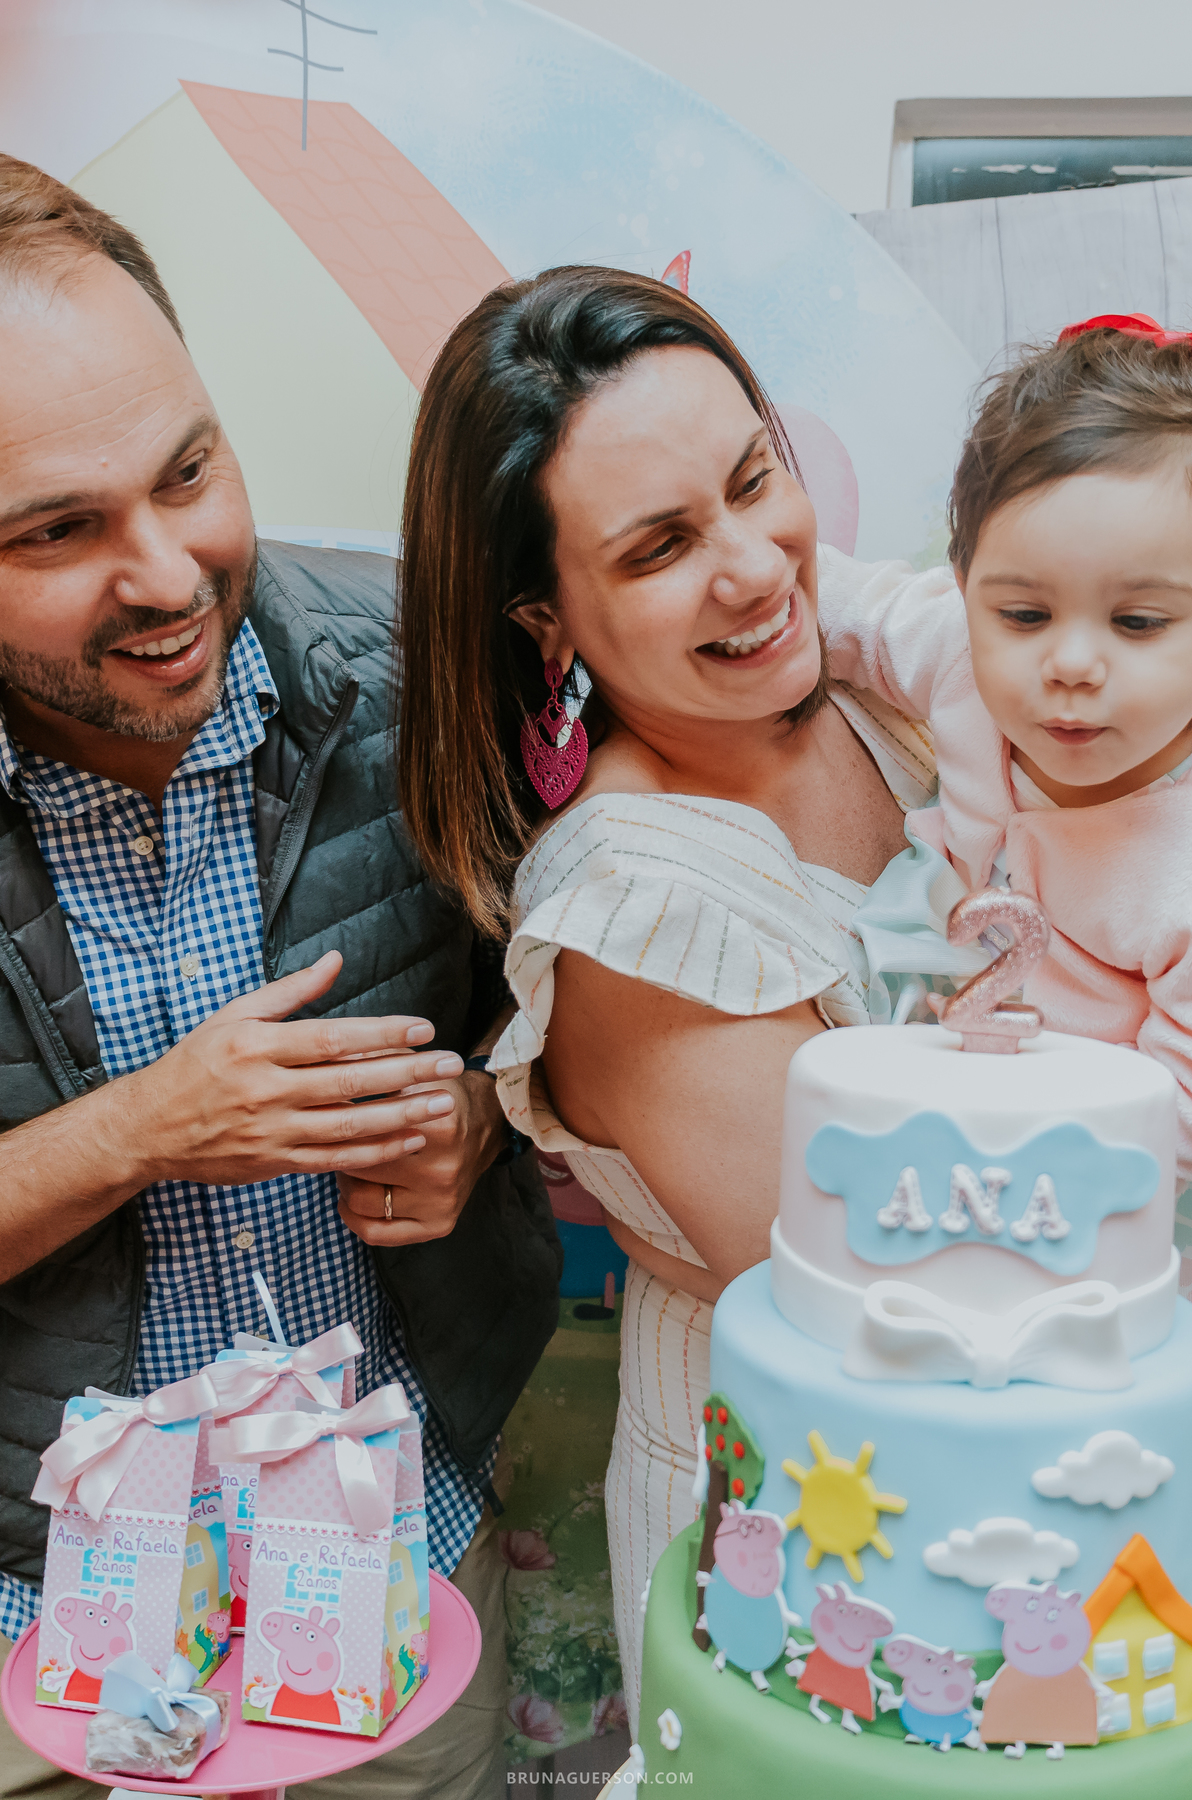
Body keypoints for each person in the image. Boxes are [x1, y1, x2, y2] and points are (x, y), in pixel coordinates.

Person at [0, 156, 559, 1800]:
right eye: (56, 532)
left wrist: (483, 1128)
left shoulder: (418, 667)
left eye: (190, 471)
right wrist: (140, 1132)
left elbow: (574, 1048)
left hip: (397, 1585)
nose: (169, 573)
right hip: (38, 1637)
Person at [385, 265, 937, 1723]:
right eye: (660, 548)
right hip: (807, 1523)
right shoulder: (637, 906)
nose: (755, 565)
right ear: (547, 621)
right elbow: (880, 1301)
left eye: (758, 478)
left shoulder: (869, 686)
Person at [819, 313, 1192, 1189]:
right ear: (965, 586)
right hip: (911, 1006)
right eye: (1023, 615)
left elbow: (1181, 1116)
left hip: (1075, 1161)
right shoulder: (957, 648)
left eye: (1138, 622)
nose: (1068, 664)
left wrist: (1015, 1176)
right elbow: (844, 606)